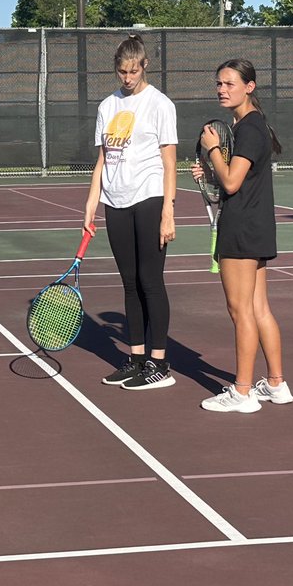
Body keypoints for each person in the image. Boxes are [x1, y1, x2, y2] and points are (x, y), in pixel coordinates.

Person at [193, 59, 293, 414]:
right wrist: (209, 170)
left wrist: (213, 150)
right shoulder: (252, 126)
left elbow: (232, 182)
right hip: (257, 226)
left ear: (249, 87)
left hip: (242, 230)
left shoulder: (249, 129)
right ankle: (277, 384)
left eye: (230, 83)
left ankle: (243, 392)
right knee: (258, 308)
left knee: (241, 311)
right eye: (219, 83)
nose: (222, 89)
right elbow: (235, 180)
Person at [83, 34, 178, 391]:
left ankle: (159, 363)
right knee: (129, 282)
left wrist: (168, 211)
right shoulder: (108, 106)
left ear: (144, 65)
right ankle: (136, 359)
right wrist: (92, 204)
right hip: (116, 200)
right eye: (122, 71)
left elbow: (170, 163)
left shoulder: (160, 105)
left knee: (150, 281)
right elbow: (103, 160)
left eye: (133, 70)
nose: (127, 77)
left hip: (150, 196)